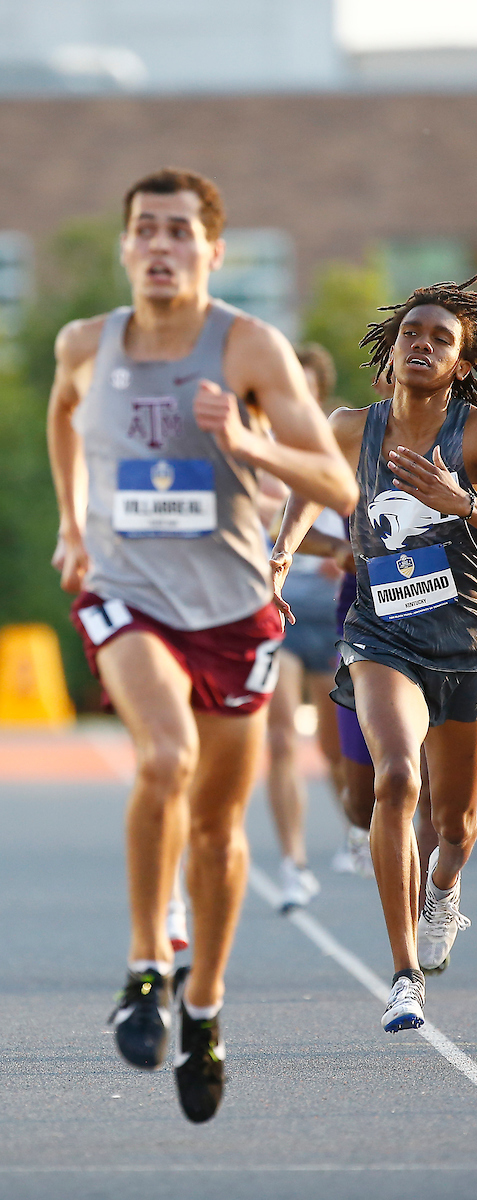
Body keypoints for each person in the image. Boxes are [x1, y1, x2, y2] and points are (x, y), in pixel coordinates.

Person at [47, 167, 357, 1123]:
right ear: (127, 246)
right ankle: (146, 967)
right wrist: (71, 521)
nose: (161, 247)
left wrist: (252, 447)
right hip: (127, 591)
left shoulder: (250, 347)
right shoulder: (85, 343)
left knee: (220, 830)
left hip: (229, 606)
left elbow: (339, 485)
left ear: (211, 252)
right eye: (146, 230)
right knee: (165, 758)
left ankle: (206, 1007)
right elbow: (63, 413)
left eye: (180, 232)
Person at [272, 277, 477, 1032]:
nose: (423, 345)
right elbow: (309, 488)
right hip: (379, 635)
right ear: (393, 348)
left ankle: (442, 891)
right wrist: (279, 555)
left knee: (456, 823)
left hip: (463, 642)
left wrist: (462, 502)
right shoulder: (349, 426)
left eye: (441, 339)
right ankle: (404, 976)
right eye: (412, 333)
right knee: (395, 781)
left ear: (462, 363)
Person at [263, 343, 359, 908]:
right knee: (279, 739)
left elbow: (355, 514)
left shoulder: (337, 445)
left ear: (318, 394)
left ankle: (356, 825)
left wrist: (341, 549)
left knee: (334, 748)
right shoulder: (253, 445)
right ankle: (293, 862)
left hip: (329, 612)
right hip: (273, 610)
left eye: (303, 385)